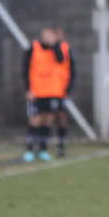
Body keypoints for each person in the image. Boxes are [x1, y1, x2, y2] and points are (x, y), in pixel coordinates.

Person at [23, 26, 70, 162]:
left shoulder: (57, 49)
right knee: (35, 119)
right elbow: (25, 68)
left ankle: (43, 149)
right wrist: (28, 89)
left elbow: (61, 60)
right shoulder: (34, 47)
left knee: (47, 120)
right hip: (36, 91)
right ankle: (29, 149)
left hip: (52, 91)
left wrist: (54, 45)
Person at [53, 27, 76, 157]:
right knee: (46, 118)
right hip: (46, 91)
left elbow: (72, 69)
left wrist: (69, 88)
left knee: (61, 118)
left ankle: (61, 147)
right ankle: (41, 147)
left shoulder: (66, 48)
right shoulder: (44, 48)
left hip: (61, 90)